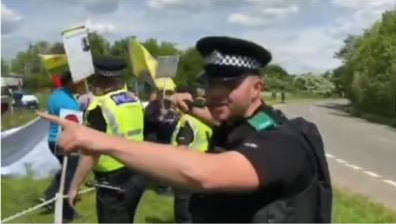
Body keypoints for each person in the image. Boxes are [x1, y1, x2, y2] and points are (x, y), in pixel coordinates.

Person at [38, 36, 332, 223]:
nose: (216, 93)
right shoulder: (242, 123)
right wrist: (189, 106)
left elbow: (207, 175)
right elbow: (219, 120)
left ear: (257, 88)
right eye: (212, 83)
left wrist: (102, 141)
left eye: (229, 84)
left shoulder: (281, 140)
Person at [67, 57, 146, 223]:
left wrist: (74, 186)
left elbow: (90, 152)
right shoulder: (133, 99)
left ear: (99, 80)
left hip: (112, 180)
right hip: (136, 170)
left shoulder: (99, 107)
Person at [40, 71, 81, 222]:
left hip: (52, 139)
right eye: (78, 81)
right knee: (71, 176)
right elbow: (74, 126)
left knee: (65, 171)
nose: (80, 85)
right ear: (70, 82)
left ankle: (49, 195)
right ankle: (67, 213)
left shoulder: (55, 96)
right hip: (65, 141)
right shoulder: (70, 102)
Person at [171, 84, 212, 223]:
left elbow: (182, 148)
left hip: (187, 170)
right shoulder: (208, 117)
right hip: (204, 166)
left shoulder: (188, 121)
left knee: (183, 207)